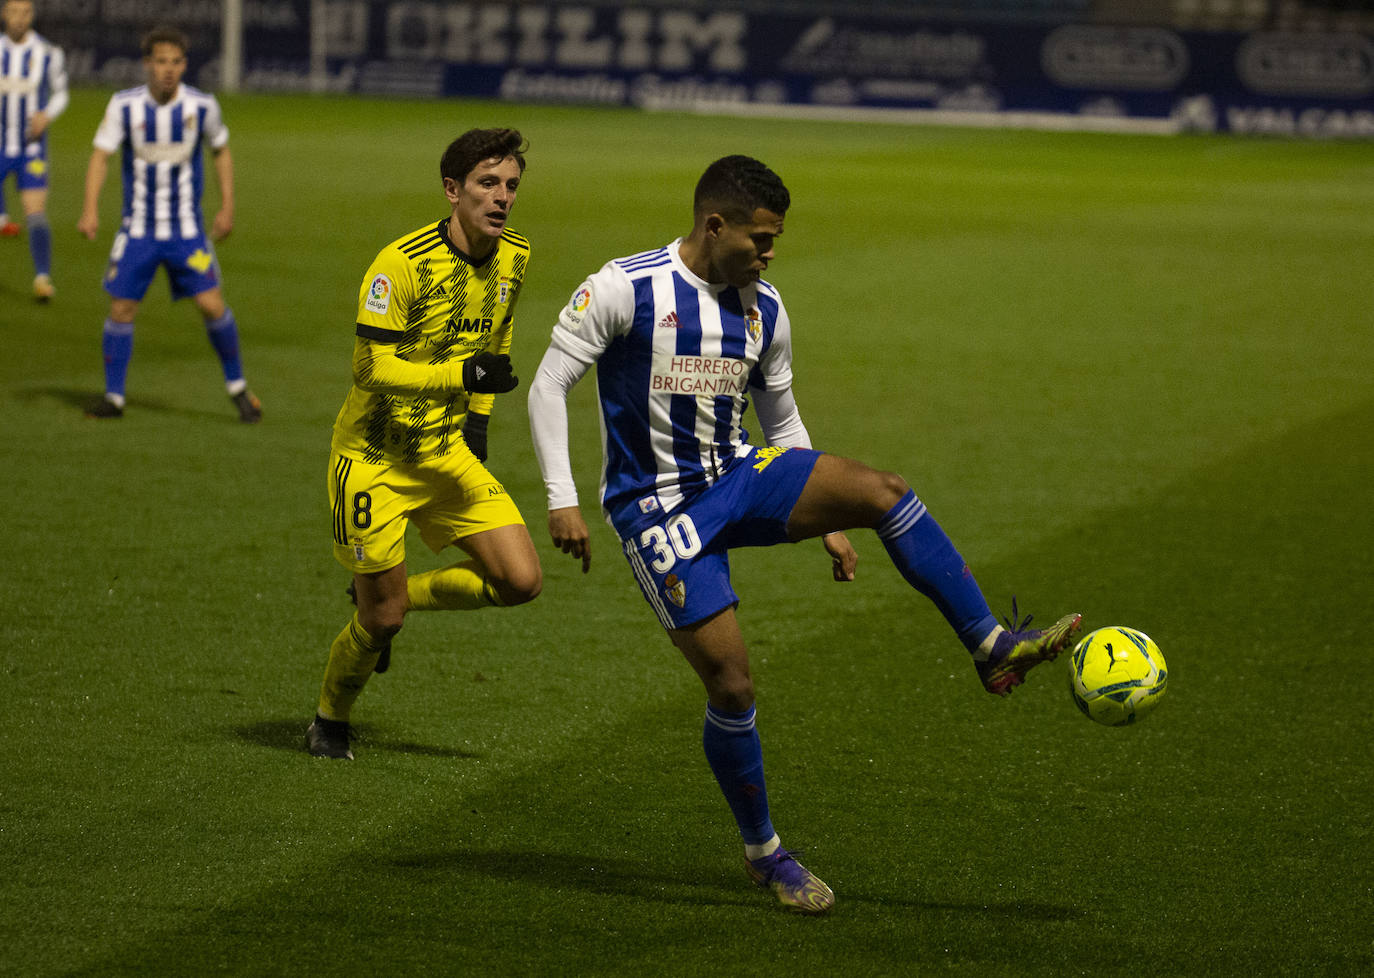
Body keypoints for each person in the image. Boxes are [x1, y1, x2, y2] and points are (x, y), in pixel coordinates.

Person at [527, 155, 1083, 914]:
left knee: (885, 494)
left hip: (742, 474)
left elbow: (781, 421)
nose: (770, 253)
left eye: (775, 240)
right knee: (732, 684)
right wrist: (562, 500)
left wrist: (827, 523)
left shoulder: (764, 307)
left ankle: (988, 646)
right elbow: (550, 382)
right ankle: (764, 853)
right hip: (660, 511)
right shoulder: (626, 287)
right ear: (713, 225)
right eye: (760, 238)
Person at [306, 128, 543, 761]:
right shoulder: (401, 263)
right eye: (486, 184)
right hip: (374, 458)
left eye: (511, 186)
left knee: (521, 580)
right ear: (452, 190)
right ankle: (330, 718)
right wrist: (458, 377)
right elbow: (368, 369)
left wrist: (480, 418)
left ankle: (388, 594)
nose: (501, 198)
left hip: (443, 452)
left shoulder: (514, 256)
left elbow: (499, 336)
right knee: (381, 624)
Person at [77, 26, 260, 422]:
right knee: (122, 308)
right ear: (147, 64)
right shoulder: (124, 106)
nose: (168, 70)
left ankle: (239, 388)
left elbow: (221, 151)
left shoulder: (202, 106)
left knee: (212, 304)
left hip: (187, 233)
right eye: (160, 61)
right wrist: (90, 208)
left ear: (184, 65)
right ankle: (114, 398)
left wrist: (227, 206)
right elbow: (100, 156)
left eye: (176, 62)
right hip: (138, 231)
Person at [0, 0, 67, 300]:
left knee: (35, 214)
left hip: (31, 147)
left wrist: (46, 114)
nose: (18, 19)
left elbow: (61, 93)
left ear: (32, 15)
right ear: (4, 14)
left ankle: (42, 278)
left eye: (24, 12)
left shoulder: (48, 53)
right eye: (13, 12)